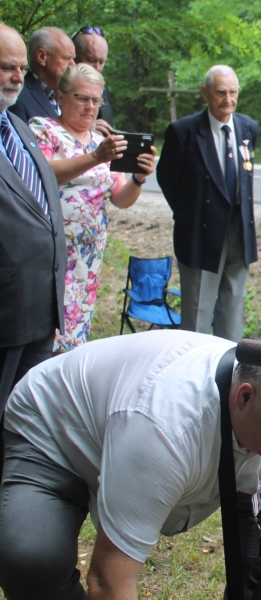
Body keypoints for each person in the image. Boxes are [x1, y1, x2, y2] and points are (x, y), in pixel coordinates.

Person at [0, 329, 261, 600]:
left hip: (156, 438)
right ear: (244, 396)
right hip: (59, 430)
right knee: (32, 560)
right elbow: (109, 580)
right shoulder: (164, 426)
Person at [29, 64, 153, 352]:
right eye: (82, 98)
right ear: (60, 97)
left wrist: (138, 178)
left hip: (88, 256)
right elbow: (42, 174)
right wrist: (96, 158)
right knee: (45, 333)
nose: (90, 107)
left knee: (75, 333)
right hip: (52, 251)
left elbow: (120, 198)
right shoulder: (43, 129)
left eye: (96, 100)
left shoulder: (102, 142)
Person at [157, 65, 260, 342]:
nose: (228, 99)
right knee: (197, 313)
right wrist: (190, 215)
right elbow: (167, 179)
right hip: (200, 234)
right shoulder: (184, 132)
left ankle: (229, 363)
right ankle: (194, 365)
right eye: (221, 92)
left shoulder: (248, 128)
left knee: (233, 310)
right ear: (205, 93)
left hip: (239, 231)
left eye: (233, 92)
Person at [0, 23, 65, 405]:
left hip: (40, 308)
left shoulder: (18, 127)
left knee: (24, 417)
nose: (17, 77)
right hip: (6, 312)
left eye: (22, 68)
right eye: (7, 67)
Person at [8, 27, 74, 122]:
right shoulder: (17, 98)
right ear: (41, 57)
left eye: (73, 58)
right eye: (66, 58)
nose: (73, 64)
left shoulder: (68, 96)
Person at [72, 26, 113, 136]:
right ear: (73, 58)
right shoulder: (60, 88)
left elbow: (107, 133)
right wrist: (84, 126)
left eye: (102, 62)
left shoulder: (103, 88)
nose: (98, 68)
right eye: (91, 60)